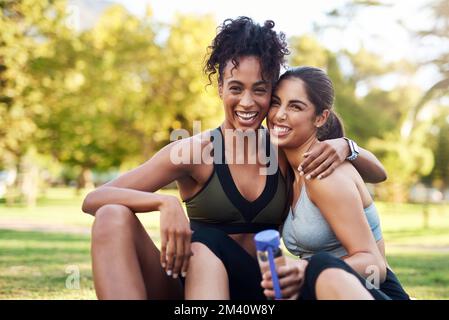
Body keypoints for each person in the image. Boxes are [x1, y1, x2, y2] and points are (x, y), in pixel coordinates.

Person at [81, 17, 386, 300]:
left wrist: (347, 147)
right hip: (193, 286)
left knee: (206, 245)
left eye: (260, 90)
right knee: (112, 215)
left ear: (271, 93)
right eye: (236, 88)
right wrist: (164, 203)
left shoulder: (282, 148)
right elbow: (95, 198)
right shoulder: (193, 152)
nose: (247, 102)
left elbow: (375, 175)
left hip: (263, 290)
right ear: (220, 88)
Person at [260, 66, 410, 300]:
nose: (279, 114)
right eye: (276, 103)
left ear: (320, 118)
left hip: (373, 291)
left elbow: (374, 265)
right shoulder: (284, 169)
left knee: (320, 263)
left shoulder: (324, 174)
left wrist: (306, 269)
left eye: (295, 106)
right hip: (326, 290)